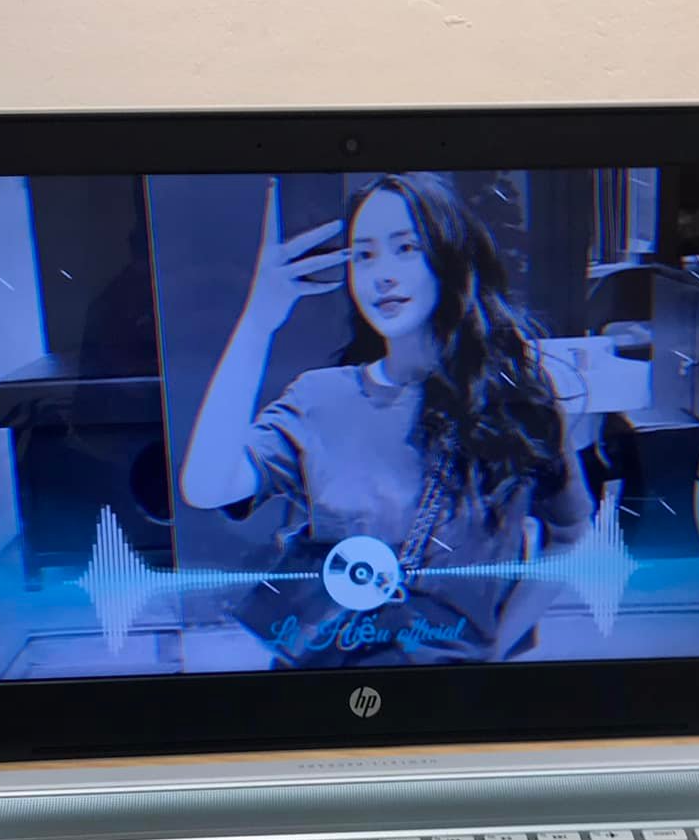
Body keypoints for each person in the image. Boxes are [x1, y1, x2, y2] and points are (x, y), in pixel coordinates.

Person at [180, 171, 591, 662]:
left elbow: (569, 531)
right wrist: (259, 320)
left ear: (449, 257)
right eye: (364, 255)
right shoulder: (320, 398)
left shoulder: (514, 400)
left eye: (406, 248)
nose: (383, 274)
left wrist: (497, 646)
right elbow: (206, 487)